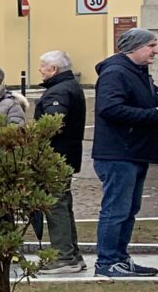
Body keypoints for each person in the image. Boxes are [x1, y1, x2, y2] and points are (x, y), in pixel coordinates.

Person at [92, 27, 158, 278]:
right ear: (135, 47)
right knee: (116, 210)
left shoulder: (140, 73)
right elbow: (110, 108)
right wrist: (153, 115)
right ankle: (107, 261)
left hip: (135, 152)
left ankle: (120, 258)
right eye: (151, 45)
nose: (155, 51)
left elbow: (146, 99)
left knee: (129, 210)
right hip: (118, 153)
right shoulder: (116, 73)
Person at [34, 50, 88, 275]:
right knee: (63, 205)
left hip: (55, 157)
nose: (40, 71)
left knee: (56, 206)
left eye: (43, 67)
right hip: (66, 156)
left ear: (53, 69)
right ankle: (72, 254)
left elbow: (53, 124)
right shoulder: (70, 87)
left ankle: (64, 257)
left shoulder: (59, 92)